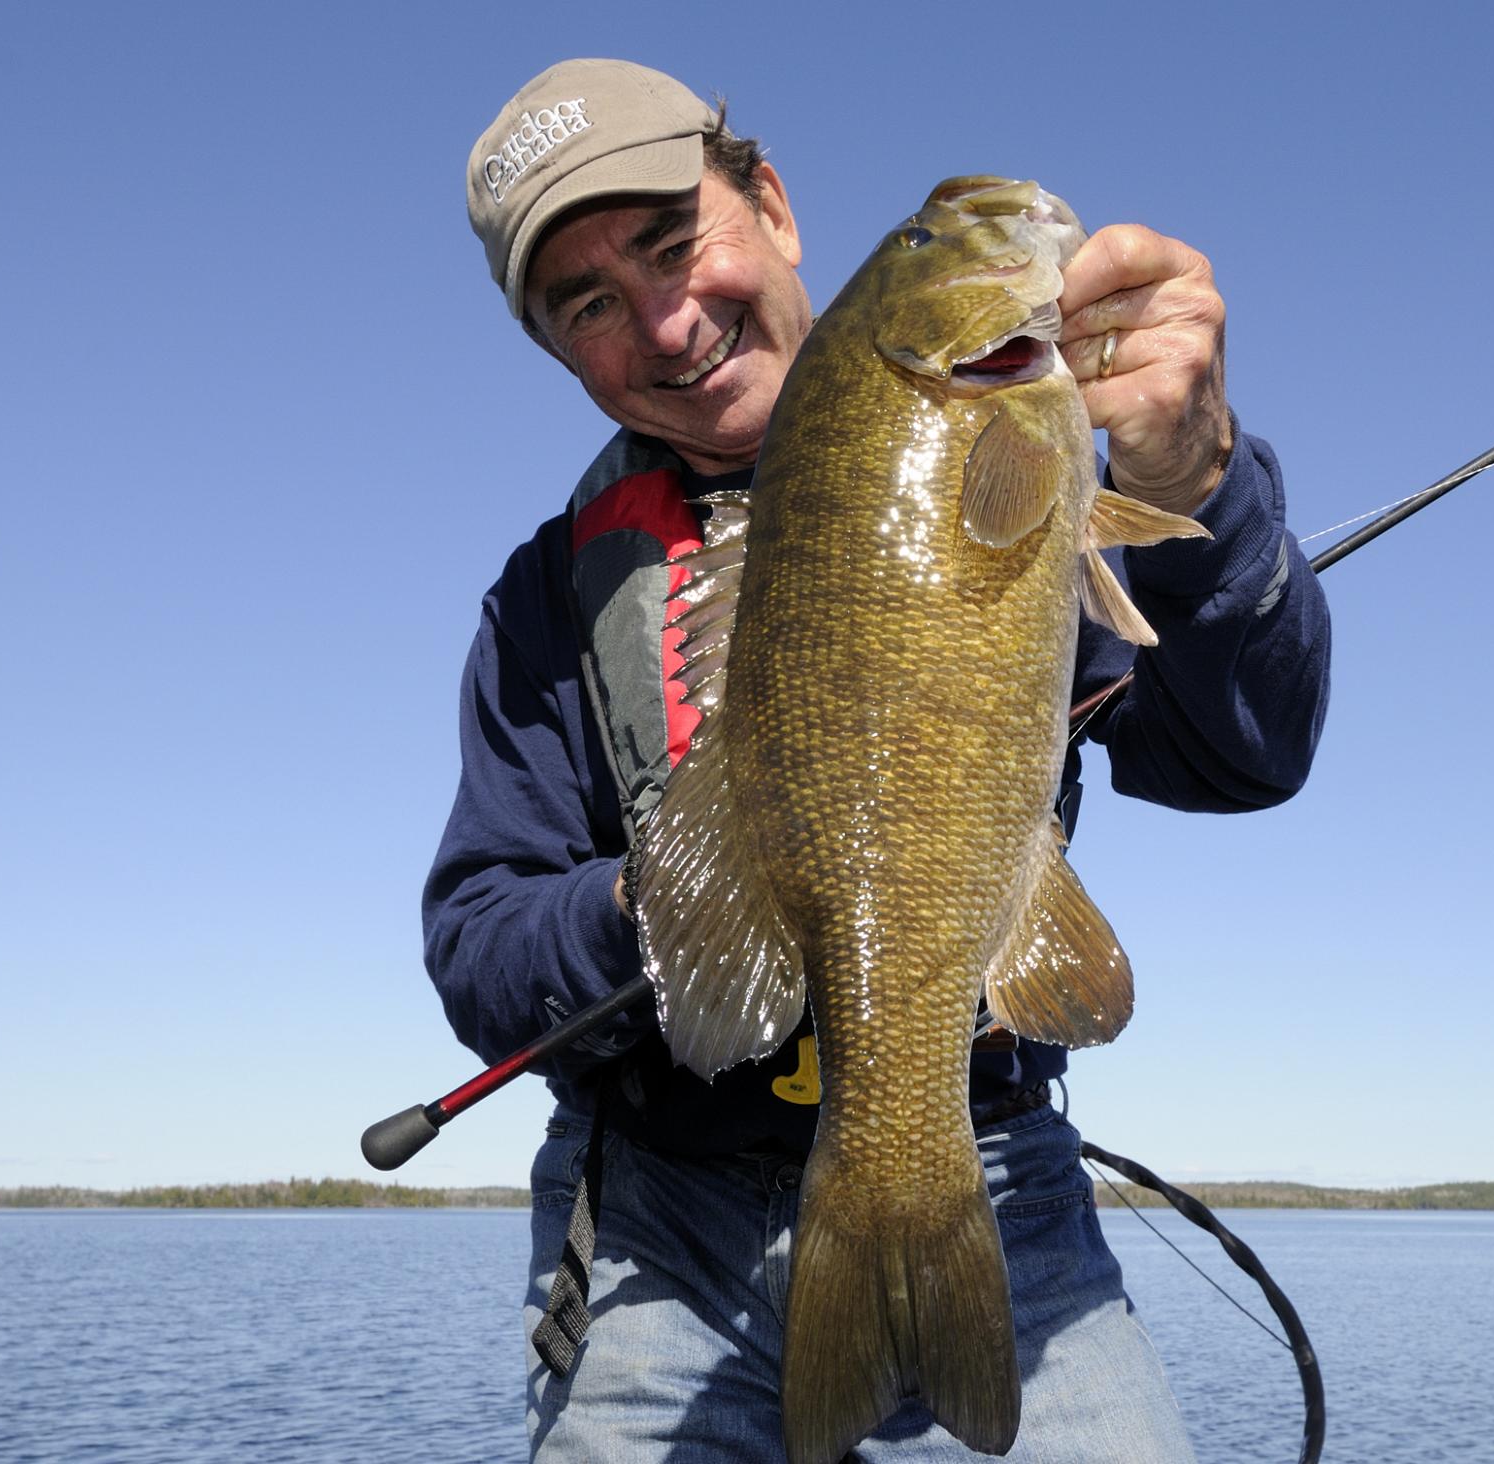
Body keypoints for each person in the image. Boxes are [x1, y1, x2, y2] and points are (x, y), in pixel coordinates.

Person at [426, 57, 1331, 1462]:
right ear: (560, 352)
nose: (665, 321)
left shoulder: (1028, 462)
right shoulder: (547, 603)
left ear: (771, 204)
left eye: (675, 244)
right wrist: (680, 898)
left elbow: (1249, 751)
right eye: (591, 303)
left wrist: (1196, 479)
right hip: (658, 1219)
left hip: (995, 1166)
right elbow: (478, 943)